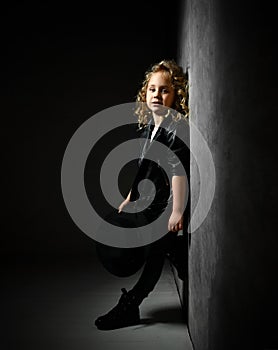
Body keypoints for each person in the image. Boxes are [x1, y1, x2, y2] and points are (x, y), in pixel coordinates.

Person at [95, 59, 190, 330]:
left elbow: (178, 173)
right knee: (146, 242)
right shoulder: (150, 127)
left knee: (157, 246)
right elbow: (145, 167)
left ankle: (131, 305)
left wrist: (176, 211)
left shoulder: (175, 129)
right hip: (148, 201)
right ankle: (178, 254)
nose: (157, 95)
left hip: (166, 204)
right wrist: (129, 196)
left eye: (165, 90)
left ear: (176, 96)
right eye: (152, 89)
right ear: (144, 94)